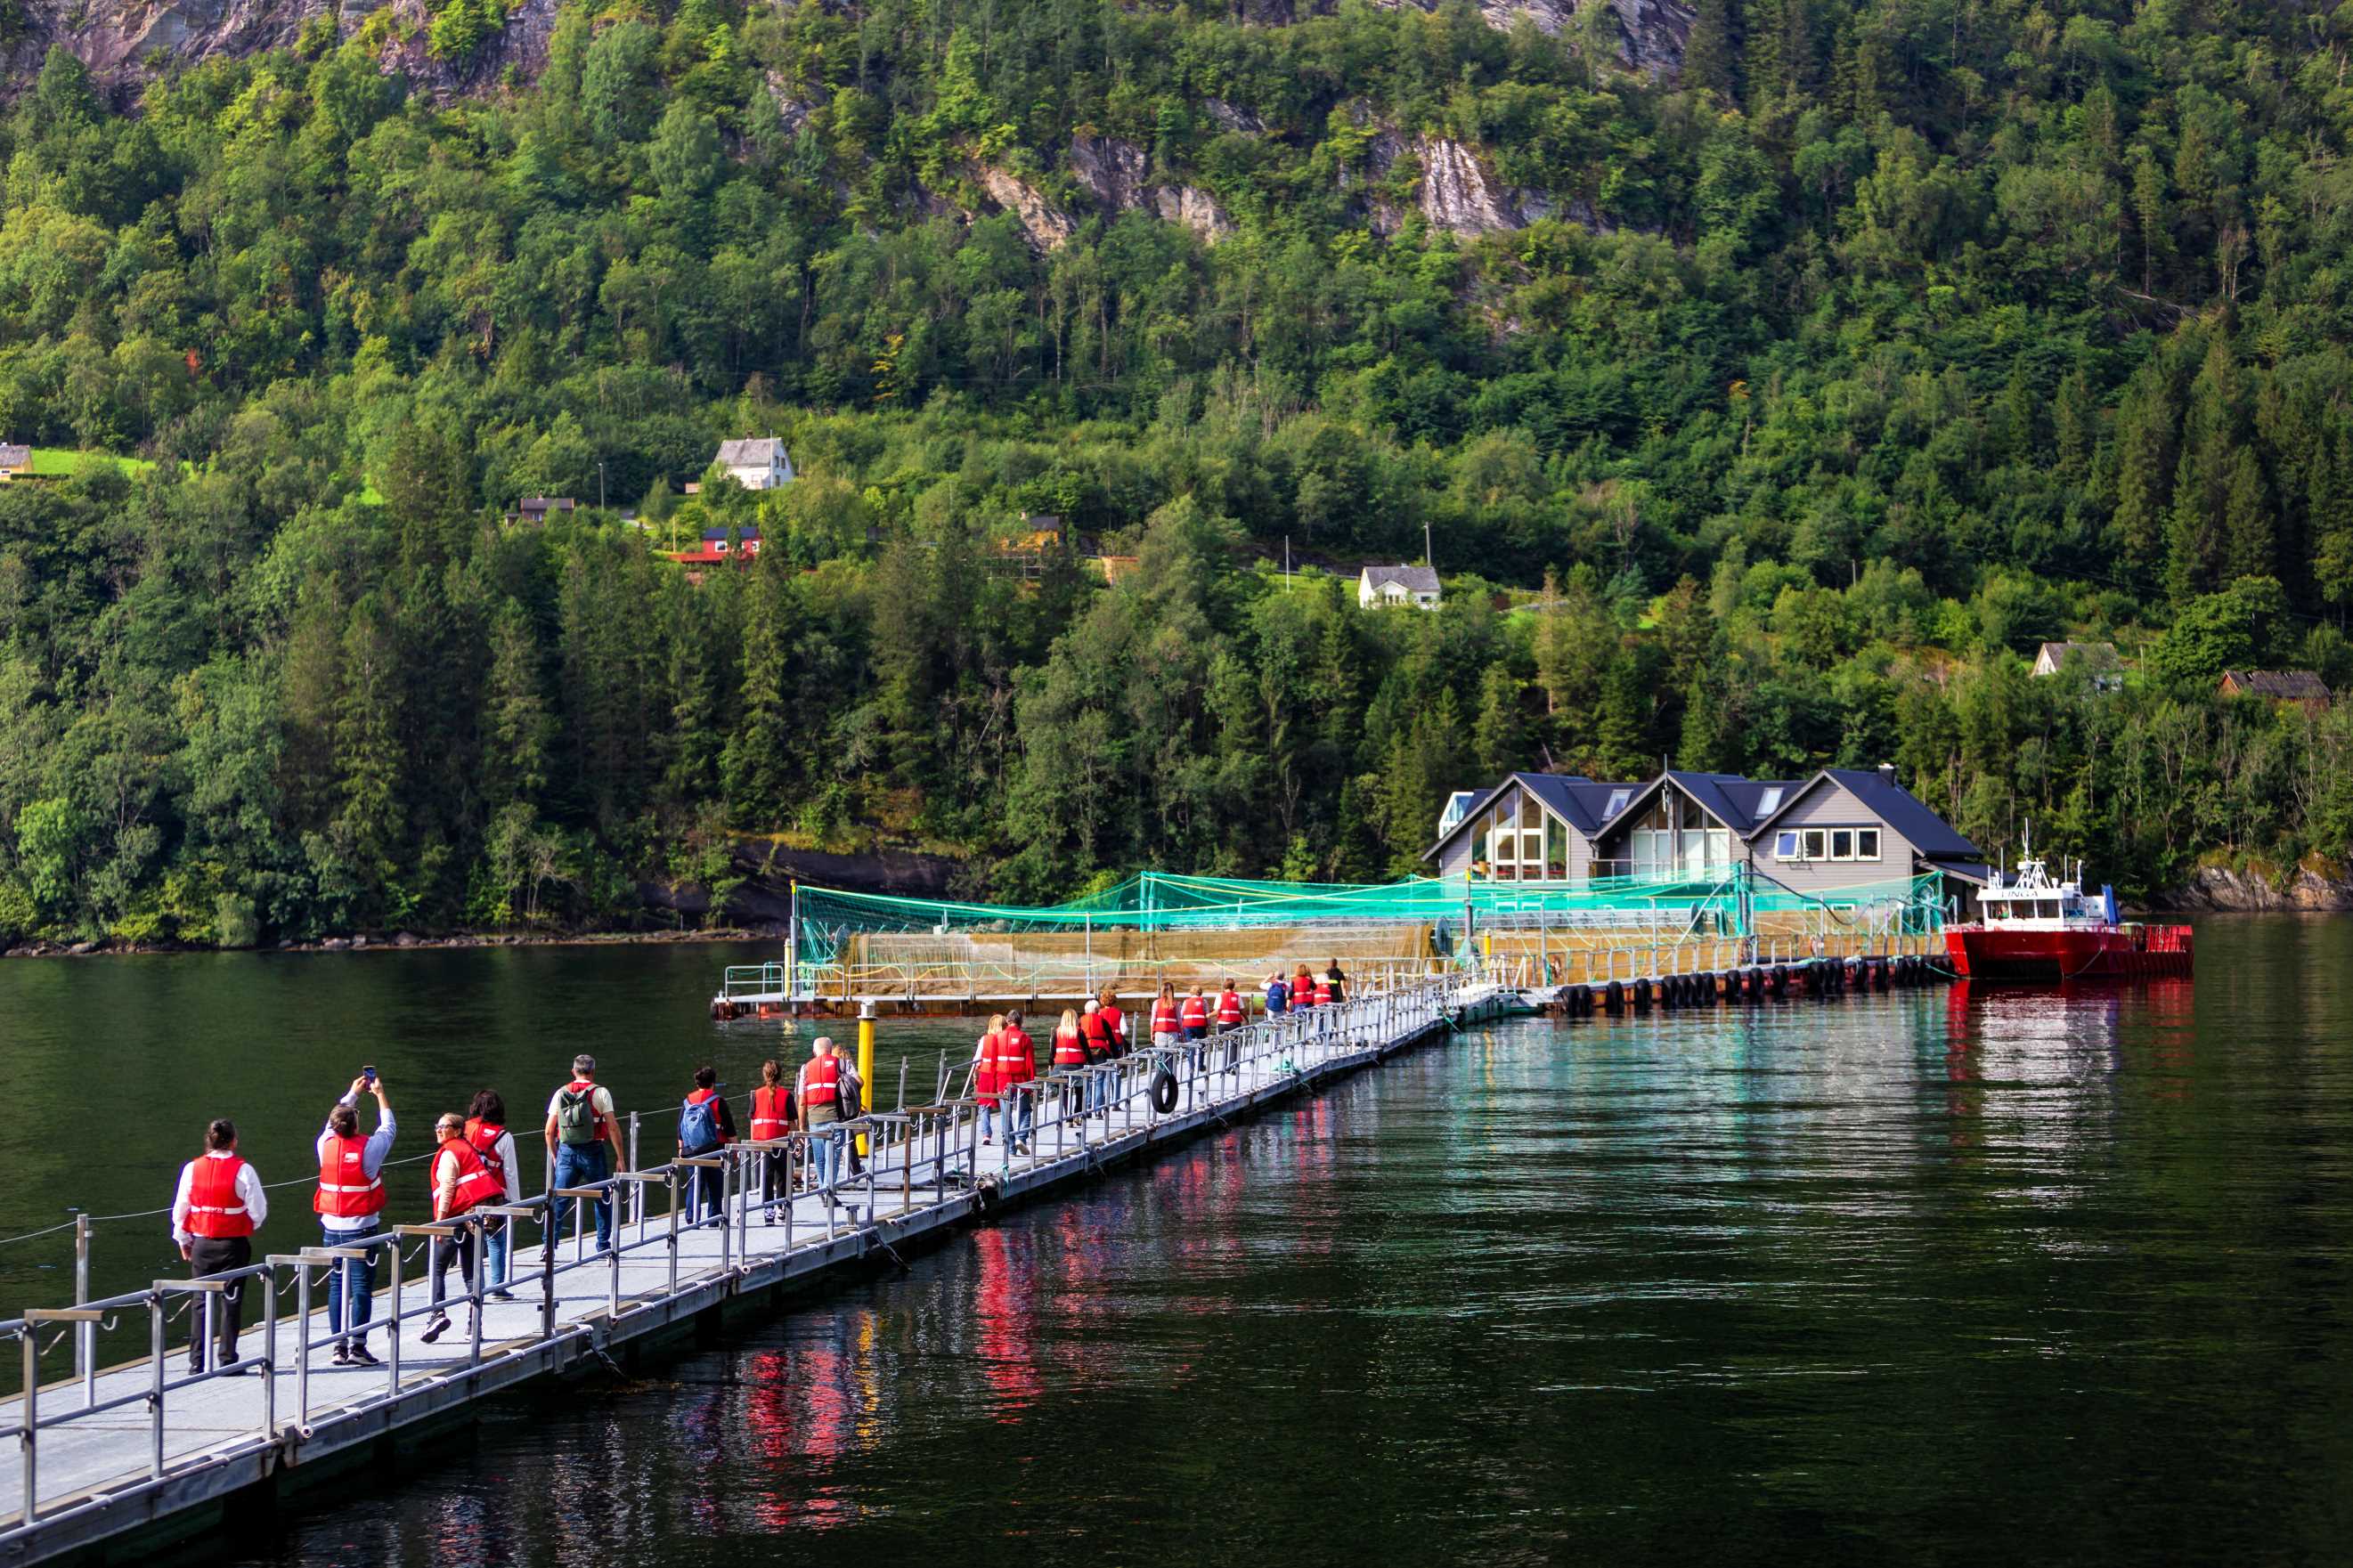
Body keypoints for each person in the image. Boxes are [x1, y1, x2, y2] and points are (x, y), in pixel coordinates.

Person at [172, 1118, 267, 1375]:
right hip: (233, 1245)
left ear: (209, 1141)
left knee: (200, 1302)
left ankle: (196, 1362)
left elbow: (181, 1208)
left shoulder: (192, 1169)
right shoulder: (244, 1170)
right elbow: (259, 1210)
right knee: (231, 1301)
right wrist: (247, 1225)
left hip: (202, 1243)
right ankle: (227, 1360)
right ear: (234, 1141)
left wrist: (183, 1240)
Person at [315, 1073, 395, 1365]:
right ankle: (358, 1348)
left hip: (331, 1228)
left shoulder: (324, 1144)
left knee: (337, 1285)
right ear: (357, 1125)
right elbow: (389, 1128)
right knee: (361, 1286)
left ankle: (338, 1347)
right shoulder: (369, 1148)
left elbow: (331, 1121)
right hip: (362, 1228)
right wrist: (379, 1094)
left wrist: (351, 1093)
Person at [422, 1112, 507, 1345]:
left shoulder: (450, 1153)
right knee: (471, 1271)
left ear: (458, 1130)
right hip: (473, 1219)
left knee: (437, 1267)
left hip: (456, 1219)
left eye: (444, 1126)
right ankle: (474, 1325)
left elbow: (448, 1187)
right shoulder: (467, 1149)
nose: (438, 1130)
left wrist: (440, 1223)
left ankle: (437, 1314)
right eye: (437, 1125)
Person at [544, 1054, 626, 1254]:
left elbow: (548, 1131)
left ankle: (549, 1246)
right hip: (593, 1150)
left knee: (559, 1198)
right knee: (602, 1197)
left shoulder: (560, 1093)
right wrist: (620, 1158)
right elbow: (613, 1127)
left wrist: (555, 1156)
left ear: (573, 1072)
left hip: (567, 1151)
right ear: (593, 1072)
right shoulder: (601, 1093)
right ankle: (603, 1245)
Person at [464, 1090, 520, 1301]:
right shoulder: (504, 1137)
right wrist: (515, 1205)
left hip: (467, 1196)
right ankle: (497, 1287)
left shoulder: (464, 1131)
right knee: (496, 1242)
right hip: (493, 1196)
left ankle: (474, 1288)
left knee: (470, 1243)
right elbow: (510, 1173)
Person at [678, 1065, 737, 1227]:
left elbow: (680, 1129)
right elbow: (730, 1128)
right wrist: (735, 1150)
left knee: (694, 1184)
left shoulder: (687, 1101)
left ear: (697, 1083)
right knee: (715, 1185)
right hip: (714, 1149)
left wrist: (681, 1150)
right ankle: (714, 1218)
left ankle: (691, 1217)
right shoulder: (718, 1101)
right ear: (713, 1083)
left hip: (690, 1150)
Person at [798, 1037, 846, 1202]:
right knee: (832, 1158)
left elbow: (802, 1101)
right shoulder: (841, 1064)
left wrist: (802, 1127)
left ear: (814, 1051)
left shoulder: (805, 1068)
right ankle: (827, 1191)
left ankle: (823, 1189)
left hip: (814, 1120)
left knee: (819, 1158)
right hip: (835, 1117)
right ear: (830, 1049)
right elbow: (858, 1081)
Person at [750, 1060, 794, 1225]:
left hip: (762, 1141)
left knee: (766, 1176)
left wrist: (753, 1142)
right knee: (782, 1175)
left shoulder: (756, 1094)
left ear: (764, 1074)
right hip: (781, 1141)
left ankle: (768, 1212)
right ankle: (781, 1207)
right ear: (780, 1075)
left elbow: (753, 1120)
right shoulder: (787, 1095)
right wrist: (796, 1140)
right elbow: (792, 1122)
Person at [995, 1009, 1037, 1154]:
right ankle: (1021, 1138)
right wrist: (1032, 1085)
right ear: (1020, 1022)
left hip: (1002, 1080)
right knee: (1025, 1111)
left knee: (1006, 1114)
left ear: (1007, 1021)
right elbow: (1030, 1064)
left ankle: (1010, 1148)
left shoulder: (997, 1037)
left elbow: (994, 1062)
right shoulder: (1025, 1038)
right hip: (1020, 1081)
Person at [973, 1013, 1006, 1144]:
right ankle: (1005, 1133)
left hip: (986, 1073)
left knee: (984, 1105)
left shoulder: (984, 1039)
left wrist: (975, 1074)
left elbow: (976, 1059)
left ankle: (986, 1135)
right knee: (1004, 1105)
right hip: (1000, 1073)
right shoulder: (1004, 1039)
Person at [1096, 987, 1128, 1056]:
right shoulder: (1119, 1013)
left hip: (1105, 1042)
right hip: (1117, 1041)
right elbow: (1124, 1031)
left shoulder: (1099, 1013)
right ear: (1114, 1000)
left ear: (1102, 1001)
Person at [1151, 983, 1181, 1052]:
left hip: (1160, 1032)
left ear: (1162, 991)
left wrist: (1152, 1033)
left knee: (1161, 1055)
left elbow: (1153, 1020)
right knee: (1172, 1055)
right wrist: (1181, 1034)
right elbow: (1179, 1021)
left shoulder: (1156, 1003)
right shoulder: (1175, 1004)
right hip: (1173, 1033)